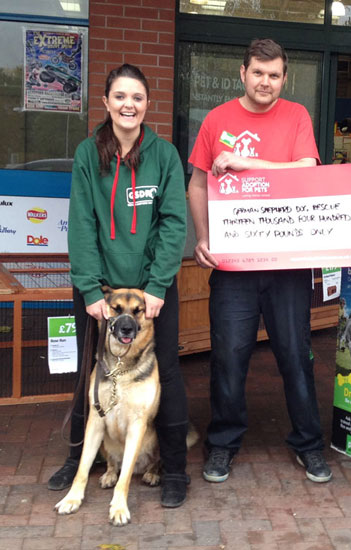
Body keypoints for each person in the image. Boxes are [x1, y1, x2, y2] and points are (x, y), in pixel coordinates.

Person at [187, 38, 331, 484]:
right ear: (243, 73)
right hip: (233, 267)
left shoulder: (296, 116)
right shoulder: (217, 119)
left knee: (295, 357)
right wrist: (204, 237)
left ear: (284, 78)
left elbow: (308, 170)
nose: (265, 81)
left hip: (286, 265)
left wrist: (249, 164)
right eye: (258, 72)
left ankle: (308, 443)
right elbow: (197, 183)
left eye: (274, 74)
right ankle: (223, 444)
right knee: (228, 359)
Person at [47, 64, 190, 508]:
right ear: (106, 102)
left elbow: (173, 223)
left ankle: (174, 469)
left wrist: (158, 285)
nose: (129, 104)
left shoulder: (164, 155)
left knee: (165, 371)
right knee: (89, 374)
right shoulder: (89, 154)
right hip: (102, 292)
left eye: (138, 97)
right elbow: (83, 225)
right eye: (120, 96)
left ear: (148, 105)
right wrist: (91, 291)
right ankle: (79, 461)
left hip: (151, 291)